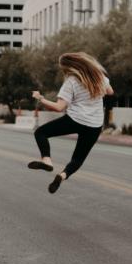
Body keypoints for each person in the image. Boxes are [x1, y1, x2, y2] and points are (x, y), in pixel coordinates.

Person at [28, 52, 114, 194]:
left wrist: (40, 98)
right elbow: (110, 92)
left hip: (75, 120)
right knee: (78, 159)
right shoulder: (100, 77)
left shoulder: (71, 82)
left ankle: (47, 161)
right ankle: (62, 176)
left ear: (69, 67)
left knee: (41, 132)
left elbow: (59, 107)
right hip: (95, 125)